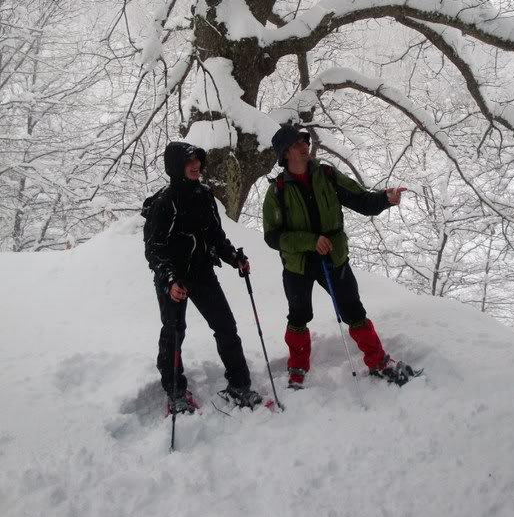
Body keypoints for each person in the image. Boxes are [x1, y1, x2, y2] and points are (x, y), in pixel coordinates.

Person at [262, 125, 416, 389]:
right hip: (298, 265)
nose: (305, 146)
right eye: (298, 143)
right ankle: (297, 367)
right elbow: (272, 236)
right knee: (299, 316)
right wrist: (309, 241)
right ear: (286, 153)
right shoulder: (277, 191)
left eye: (305, 141)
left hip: (333, 258)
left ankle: (378, 362)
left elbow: (361, 200)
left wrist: (385, 199)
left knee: (353, 310)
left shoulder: (327, 174)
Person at [143, 141, 262, 412]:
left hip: (201, 271)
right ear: (176, 167)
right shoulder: (164, 202)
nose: (196, 166)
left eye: (197, 160)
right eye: (189, 162)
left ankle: (239, 385)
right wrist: (171, 280)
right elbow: (154, 249)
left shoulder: (205, 194)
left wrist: (235, 258)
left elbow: (215, 235)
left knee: (226, 326)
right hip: (174, 278)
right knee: (174, 333)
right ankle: (175, 392)